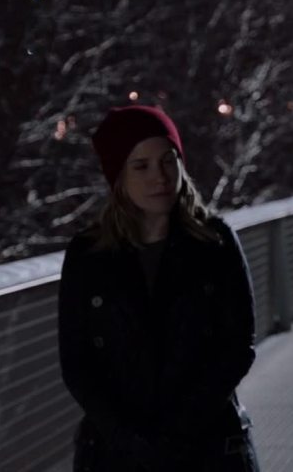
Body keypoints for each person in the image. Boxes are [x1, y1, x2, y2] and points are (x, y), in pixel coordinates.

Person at [57, 105, 260, 472]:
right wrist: (128, 437)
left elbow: (237, 346)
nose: (161, 177)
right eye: (142, 166)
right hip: (116, 455)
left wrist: (177, 432)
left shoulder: (215, 242)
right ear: (118, 175)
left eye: (169, 161)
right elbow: (76, 362)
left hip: (208, 450)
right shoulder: (88, 255)